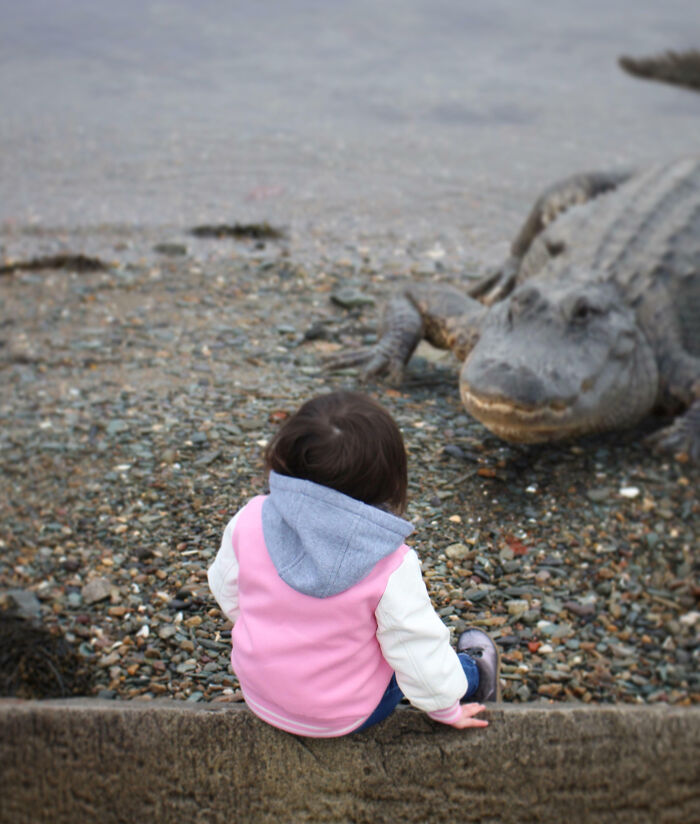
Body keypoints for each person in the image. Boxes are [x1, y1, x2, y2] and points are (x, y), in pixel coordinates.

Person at [207, 390, 500, 738]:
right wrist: (445, 709)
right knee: (411, 656)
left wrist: (271, 630)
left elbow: (226, 591)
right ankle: (479, 675)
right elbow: (415, 649)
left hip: (261, 695)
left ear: (285, 453)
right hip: (347, 715)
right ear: (387, 479)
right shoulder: (390, 563)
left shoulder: (250, 518)